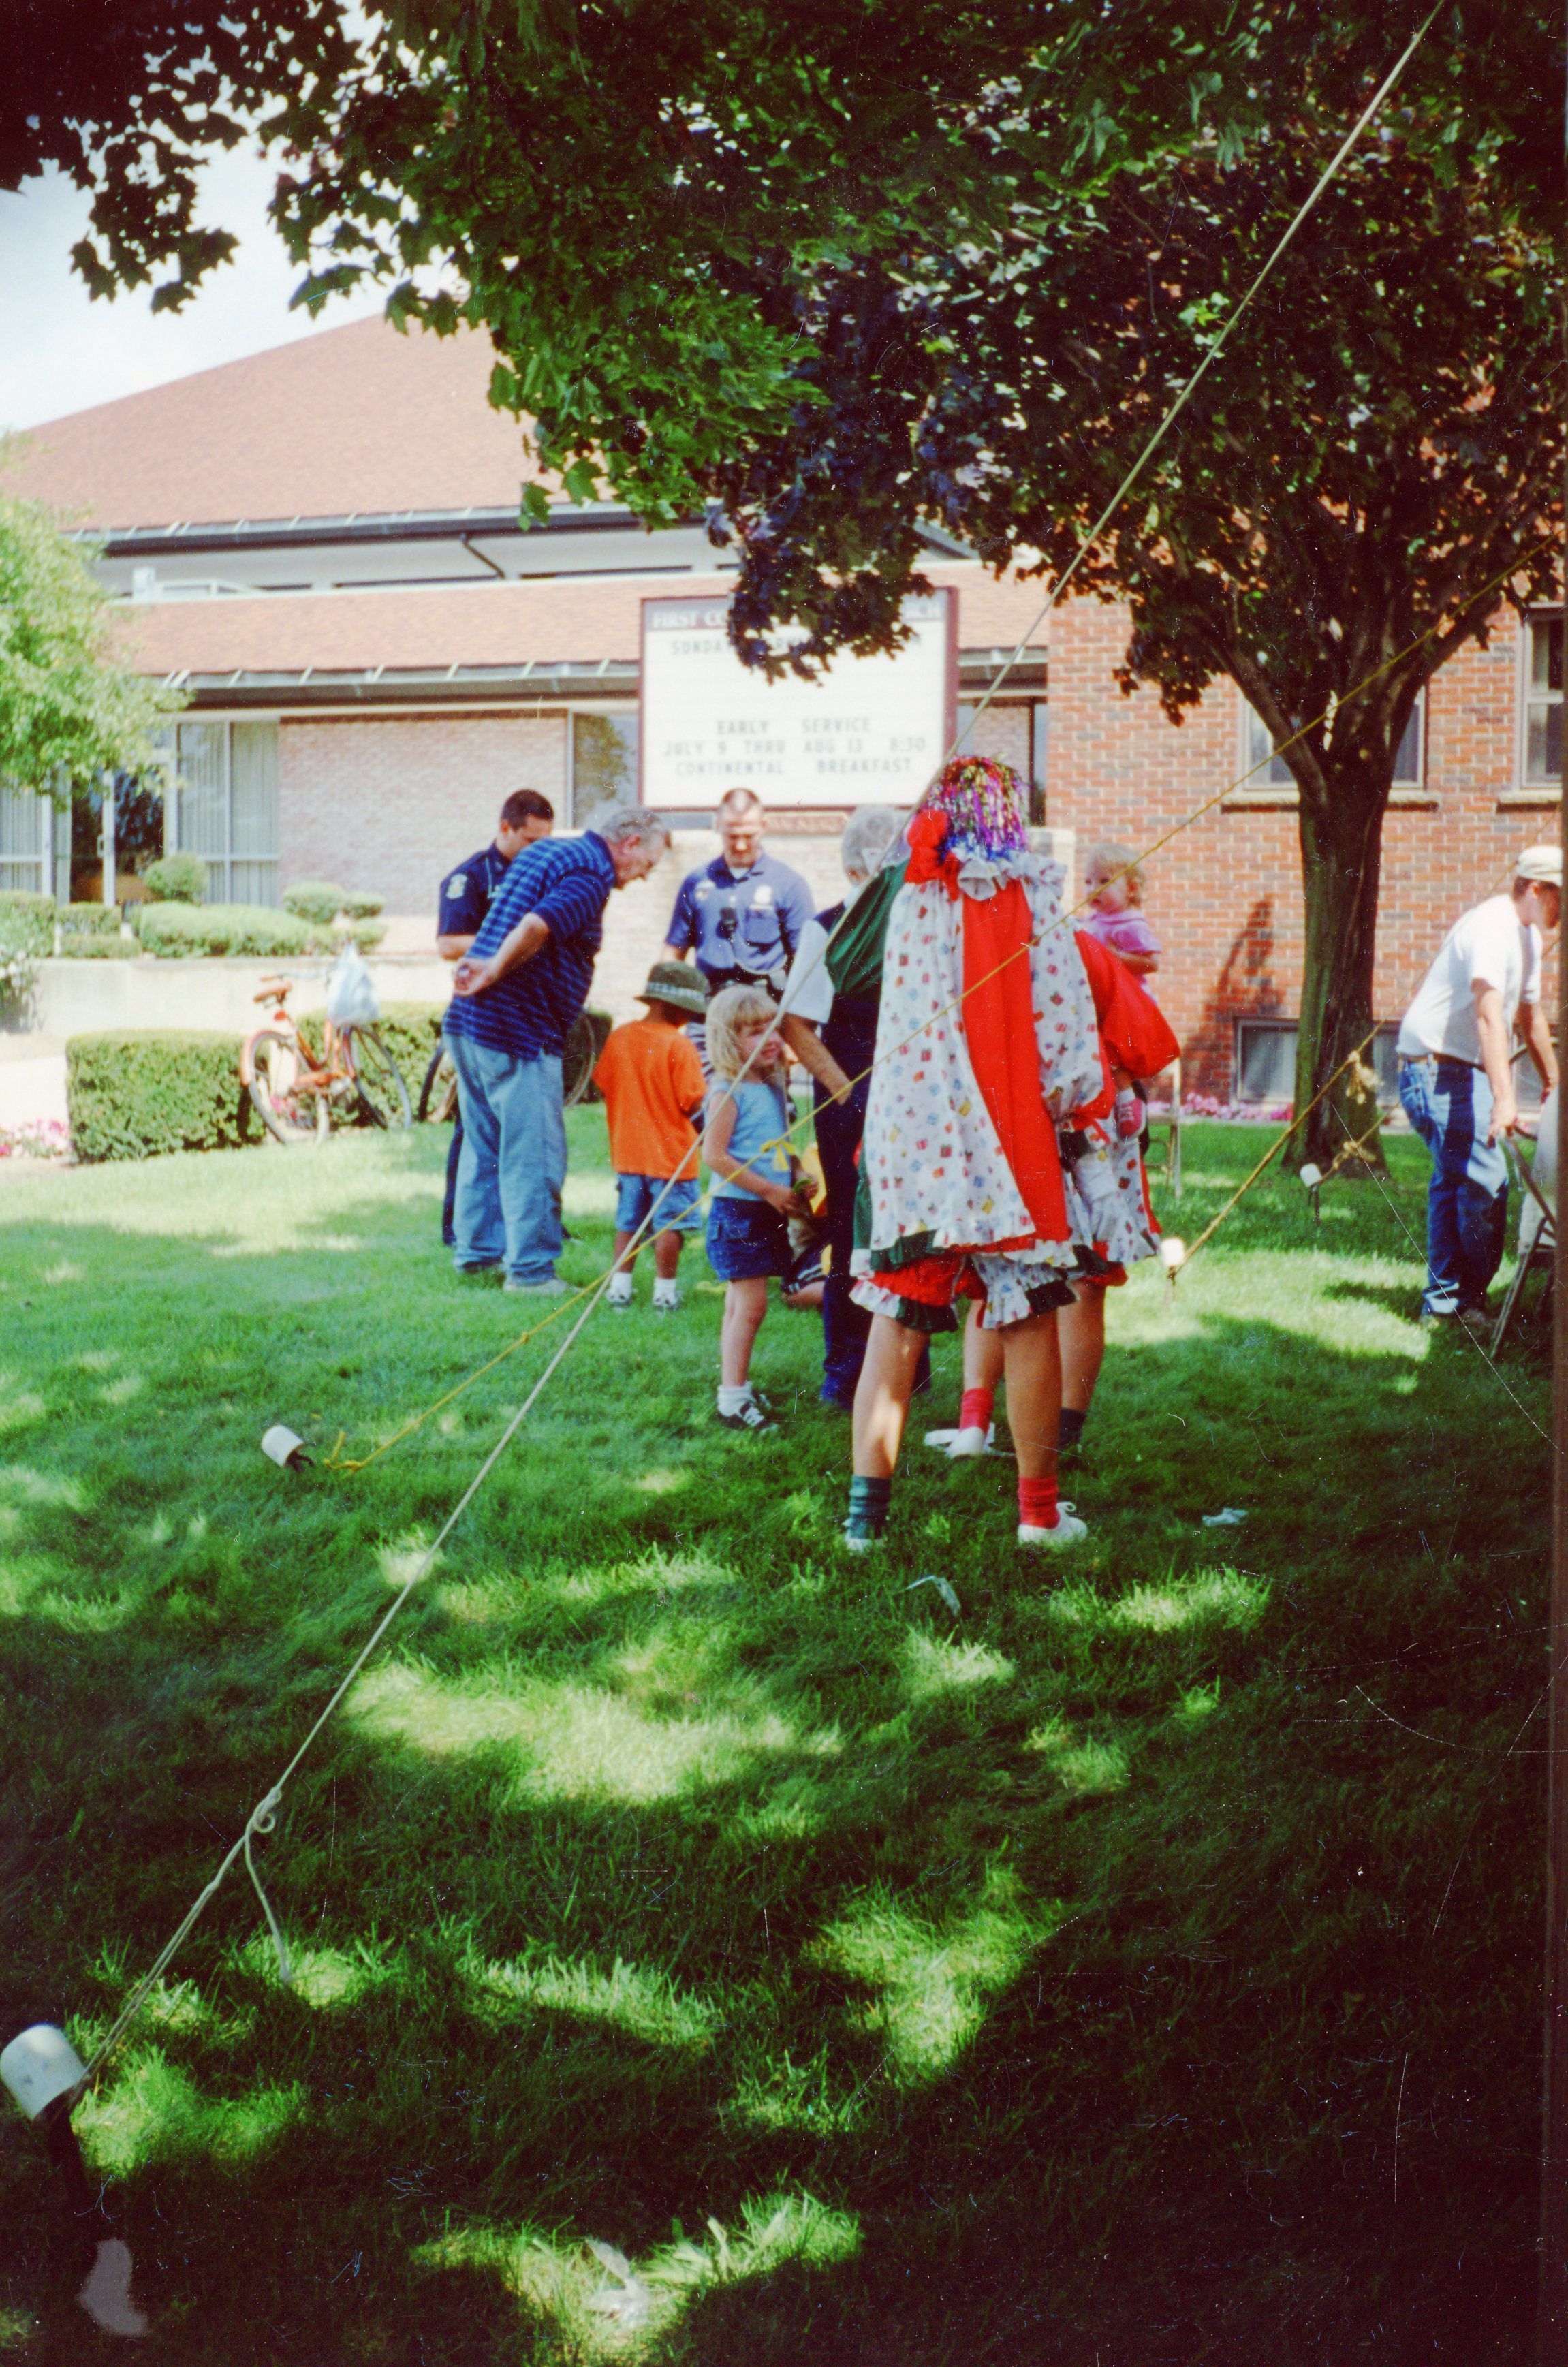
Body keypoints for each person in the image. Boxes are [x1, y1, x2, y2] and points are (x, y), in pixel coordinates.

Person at [843, 757, 1105, 1550]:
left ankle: (863, 1523)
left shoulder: (904, 888)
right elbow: (1064, 1019)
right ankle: (1037, 1514)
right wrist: (1072, 1099)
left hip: (912, 1134)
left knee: (897, 1313)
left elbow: (844, 970)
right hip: (1008, 1128)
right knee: (1026, 1314)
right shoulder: (1030, 894)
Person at [926, 927, 1179, 1462]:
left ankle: (1006, 1425)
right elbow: (1137, 1034)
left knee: (1019, 1268)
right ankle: (1029, 1428)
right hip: (1061, 1120)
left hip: (1037, 1122)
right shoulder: (1070, 945)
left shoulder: (977, 943)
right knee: (1055, 1274)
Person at [445, 805, 670, 1294]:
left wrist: (486, 969)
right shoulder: (592, 873)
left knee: (484, 1144)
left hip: (467, 1022)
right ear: (629, 844)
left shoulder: (545, 852)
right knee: (536, 1154)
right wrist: (493, 970)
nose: (643, 877)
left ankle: (477, 1256)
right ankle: (530, 1273)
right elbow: (534, 926)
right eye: (647, 865)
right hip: (516, 1030)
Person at [779, 804, 915, 1407]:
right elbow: (796, 1024)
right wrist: (849, 1094)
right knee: (850, 1229)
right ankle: (846, 1368)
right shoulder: (827, 928)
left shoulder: (916, 922)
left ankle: (909, 1366)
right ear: (857, 867)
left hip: (910, 1092)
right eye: (888, 859)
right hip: (848, 1093)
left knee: (907, 1229)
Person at [1397, 845, 1561, 1329]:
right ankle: (1462, 1301)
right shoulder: (1491, 927)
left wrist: (1554, 1082)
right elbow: (1491, 1019)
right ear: (1537, 890)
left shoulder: (1528, 937)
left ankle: (1446, 1301)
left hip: (1465, 1068)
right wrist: (1505, 1101)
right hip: (1433, 1066)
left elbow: (1530, 1017)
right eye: (1562, 897)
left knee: (1457, 1178)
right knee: (1485, 1178)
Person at [435, 790, 554, 1247]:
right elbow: (449, 943)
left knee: (527, 1131)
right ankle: (459, 1227)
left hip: (526, 1014)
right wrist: (510, 940)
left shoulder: (542, 872)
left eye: (544, 842)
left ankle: (532, 1223)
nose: (536, 851)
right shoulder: (472, 876)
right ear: (505, 828)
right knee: (475, 1127)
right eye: (530, 841)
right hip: (482, 1017)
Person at [702, 982, 813, 1432]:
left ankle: (736, 1387)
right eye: (753, 1032)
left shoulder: (768, 1086)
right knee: (751, 1307)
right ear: (729, 1041)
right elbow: (714, 1155)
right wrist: (768, 1190)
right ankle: (732, 1400)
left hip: (762, 1209)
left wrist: (796, 1172)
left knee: (740, 1304)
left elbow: (776, 1145)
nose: (769, 1039)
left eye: (772, 1028)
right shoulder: (728, 1090)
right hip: (740, 1212)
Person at [591, 960, 708, 1311]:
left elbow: (604, 1084)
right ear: (673, 1006)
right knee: (670, 1225)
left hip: (628, 1154)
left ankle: (620, 1289)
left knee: (628, 1222)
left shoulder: (620, 1037)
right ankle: (665, 1292)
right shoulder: (679, 1046)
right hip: (673, 1158)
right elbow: (693, 1102)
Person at [662, 786, 815, 998]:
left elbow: (808, 960)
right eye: (733, 836)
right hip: (709, 1007)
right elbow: (673, 953)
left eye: (749, 836)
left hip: (765, 1008)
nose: (741, 846)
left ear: (763, 826)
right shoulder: (696, 882)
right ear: (718, 826)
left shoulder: (789, 884)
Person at [1082, 842, 1161, 979]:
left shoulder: (1131, 925)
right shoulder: (1093, 919)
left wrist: (1117, 957)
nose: (1093, 889)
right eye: (1088, 882)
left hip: (1124, 991)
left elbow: (1153, 964)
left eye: (1104, 881)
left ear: (1131, 889)